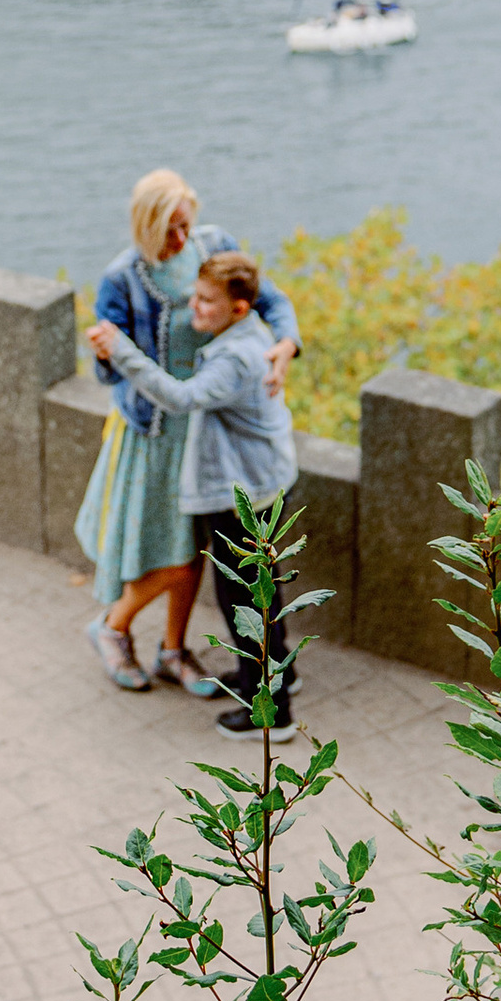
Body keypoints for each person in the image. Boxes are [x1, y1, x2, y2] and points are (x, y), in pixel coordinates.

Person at [76, 168, 299, 692]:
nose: (181, 240)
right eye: (169, 230)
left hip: (207, 425)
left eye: (185, 225)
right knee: (168, 553)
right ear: (144, 225)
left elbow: (270, 300)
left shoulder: (213, 245)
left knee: (198, 552)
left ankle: (173, 649)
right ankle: (113, 628)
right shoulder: (122, 277)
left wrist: (286, 342)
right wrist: (104, 353)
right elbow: (109, 373)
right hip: (156, 431)